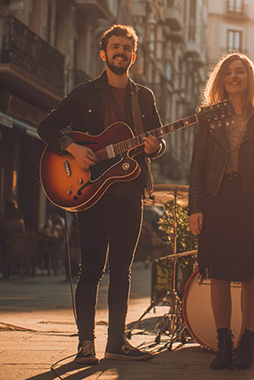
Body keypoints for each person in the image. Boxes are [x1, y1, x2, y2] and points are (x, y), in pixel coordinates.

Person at [38, 24, 165, 364]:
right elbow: (46, 127)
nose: (120, 51)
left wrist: (155, 146)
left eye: (126, 47)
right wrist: (72, 147)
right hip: (90, 193)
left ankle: (117, 341)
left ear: (133, 56)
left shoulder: (144, 97)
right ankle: (85, 344)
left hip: (130, 192)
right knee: (92, 269)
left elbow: (157, 142)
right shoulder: (84, 94)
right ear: (103, 53)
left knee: (122, 270)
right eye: (115, 46)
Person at [188, 53, 254, 370]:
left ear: (249, 78)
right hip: (218, 199)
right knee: (219, 275)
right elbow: (197, 166)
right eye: (229, 71)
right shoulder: (209, 117)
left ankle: (247, 344)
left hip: (250, 202)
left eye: (241, 71)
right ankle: (223, 345)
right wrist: (195, 208)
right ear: (221, 79)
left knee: (251, 274)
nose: (235, 76)